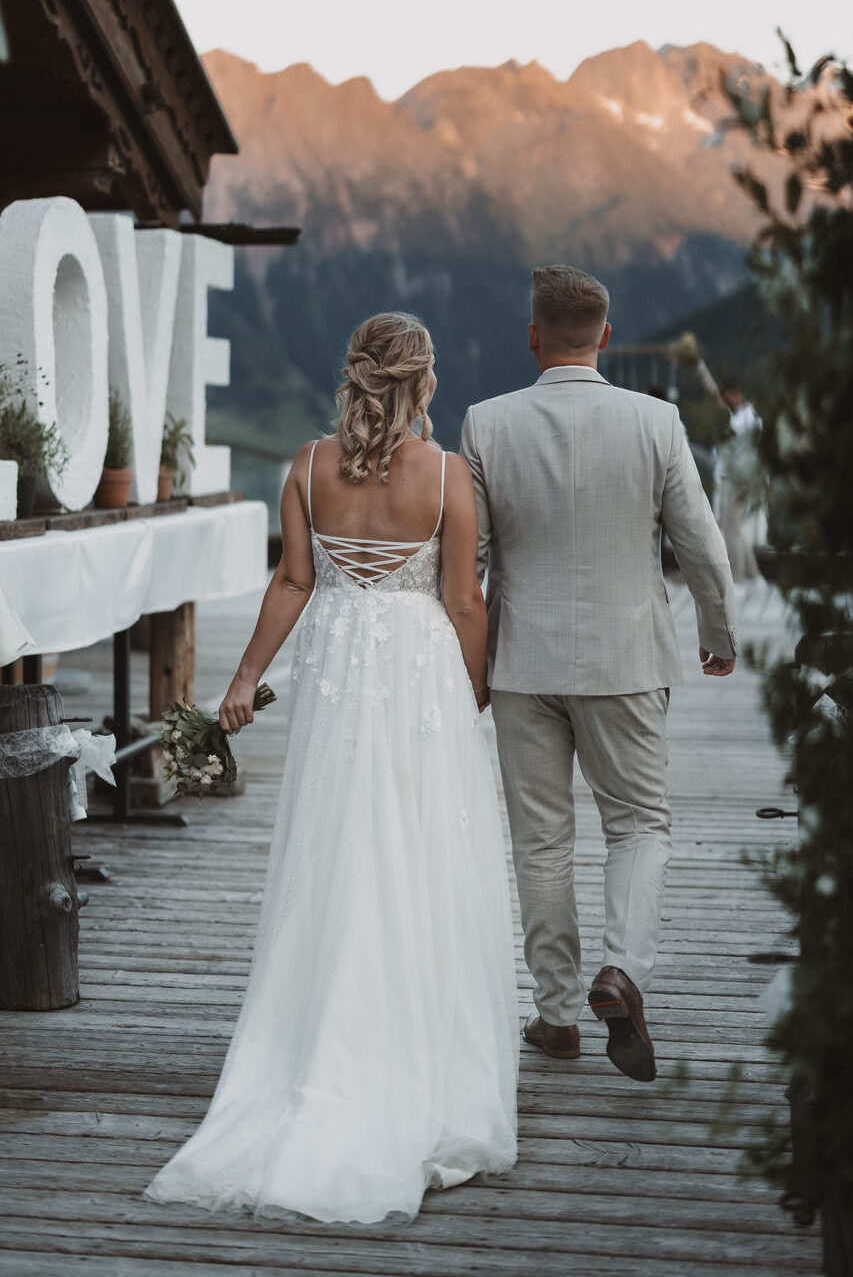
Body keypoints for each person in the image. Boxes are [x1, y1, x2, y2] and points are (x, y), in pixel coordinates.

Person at [144, 312, 518, 1224]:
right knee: (422, 858)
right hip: (420, 678)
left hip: (343, 677)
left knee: (340, 849)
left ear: (356, 379)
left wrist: (240, 678)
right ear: (424, 384)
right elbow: (464, 600)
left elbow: (292, 582)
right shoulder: (447, 476)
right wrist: (476, 696)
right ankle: (413, 1061)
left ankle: (315, 1050)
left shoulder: (308, 467)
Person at [461, 265, 738, 1083]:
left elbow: (466, 563)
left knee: (541, 842)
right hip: (626, 659)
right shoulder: (657, 421)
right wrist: (717, 632)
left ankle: (554, 1016)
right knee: (640, 823)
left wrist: (469, 664)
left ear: (535, 335)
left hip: (522, 663)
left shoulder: (486, 423)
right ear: (607, 337)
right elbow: (701, 543)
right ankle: (621, 972)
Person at [715, 380, 764, 584]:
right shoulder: (736, 418)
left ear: (736, 394)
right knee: (733, 528)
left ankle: (739, 577)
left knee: (730, 529)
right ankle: (754, 575)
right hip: (733, 479)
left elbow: (750, 452)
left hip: (741, 480)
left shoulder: (750, 419)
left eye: (728, 398)